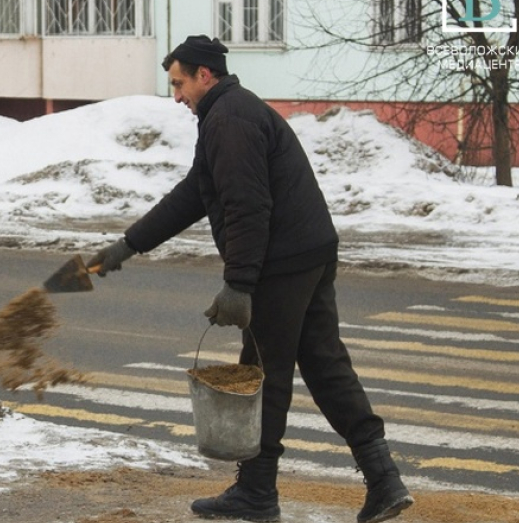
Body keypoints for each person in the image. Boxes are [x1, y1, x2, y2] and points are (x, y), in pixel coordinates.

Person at [86, 35, 414, 523]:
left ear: (204, 75)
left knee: (263, 376)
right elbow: (195, 193)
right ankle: (384, 479)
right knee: (324, 365)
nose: (176, 96)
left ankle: (258, 492)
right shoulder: (229, 111)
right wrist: (129, 244)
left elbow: (247, 207)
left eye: (178, 84)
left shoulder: (229, 119)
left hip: (281, 263)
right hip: (308, 253)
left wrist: (239, 284)